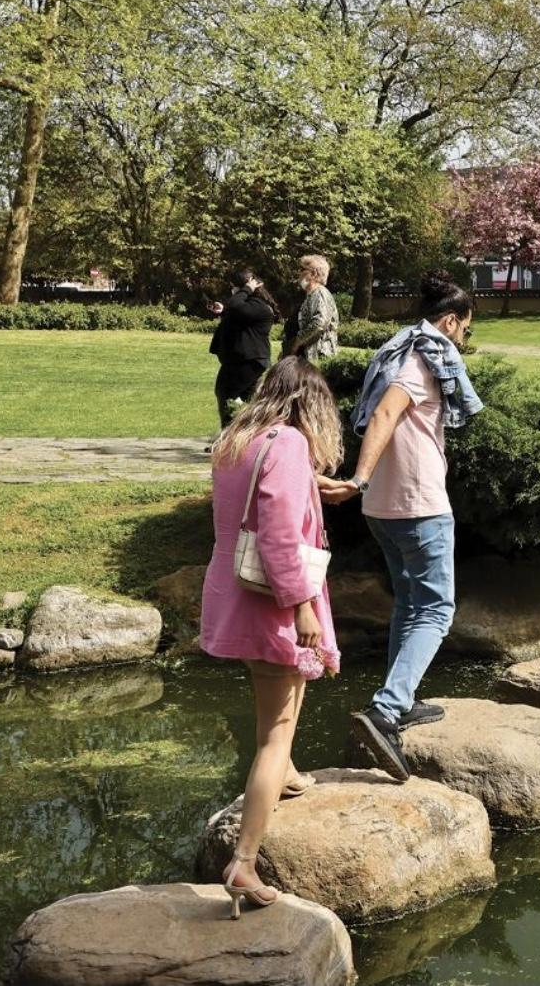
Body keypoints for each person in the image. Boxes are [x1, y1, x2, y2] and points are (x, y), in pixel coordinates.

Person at [322, 271, 483, 780]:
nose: (462, 341)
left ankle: (403, 696)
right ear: (451, 321)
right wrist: (359, 479)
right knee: (437, 610)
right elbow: (388, 411)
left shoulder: (397, 350)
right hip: (418, 505)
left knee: (411, 605)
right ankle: (387, 710)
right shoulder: (422, 358)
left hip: (386, 513)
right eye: (465, 331)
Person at [198, 357, 343, 918]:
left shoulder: (241, 440)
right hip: (273, 600)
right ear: (311, 405)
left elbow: (251, 507)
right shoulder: (287, 445)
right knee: (274, 729)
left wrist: (311, 485)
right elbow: (279, 533)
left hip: (236, 594)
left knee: (284, 702)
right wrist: (303, 606)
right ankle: (245, 862)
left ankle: (287, 775)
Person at [211, 270, 277, 425]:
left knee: (227, 394)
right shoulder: (250, 305)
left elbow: (235, 306)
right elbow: (236, 312)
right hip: (243, 360)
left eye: (234, 288)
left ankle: (228, 437)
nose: (232, 291)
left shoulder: (258, 305)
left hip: (248, 360)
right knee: (242, 398)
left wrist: (246, 289)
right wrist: (224, 311)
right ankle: (240, 436)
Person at [290, 255, 340, 362]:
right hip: (310, 356)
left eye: (302, 269)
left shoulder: (320, 293)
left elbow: (319, 323)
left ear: (314, 273)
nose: (298, 273)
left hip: (319, 356)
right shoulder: (312, 294)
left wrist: (298, 341)